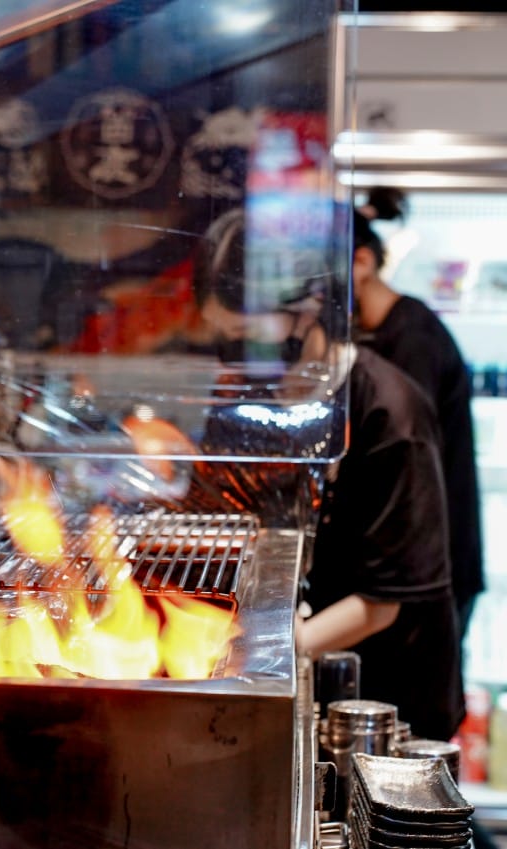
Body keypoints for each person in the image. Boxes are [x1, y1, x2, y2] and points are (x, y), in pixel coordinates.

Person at [193, 207, 465, 743]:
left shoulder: (388, 412)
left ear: (308, 307)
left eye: (248, 337)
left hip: (385, 690)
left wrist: (268, 655)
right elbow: (222, 516)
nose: (238, 360)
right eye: (224, 341)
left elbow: (383, 602)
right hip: (293, 663)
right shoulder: (241, 397)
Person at [353, 194, 484, 639]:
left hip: (433, 568)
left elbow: (404, 466)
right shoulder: (383, 332)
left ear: (362, 262)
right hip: (416, 562)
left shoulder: (411, 339)